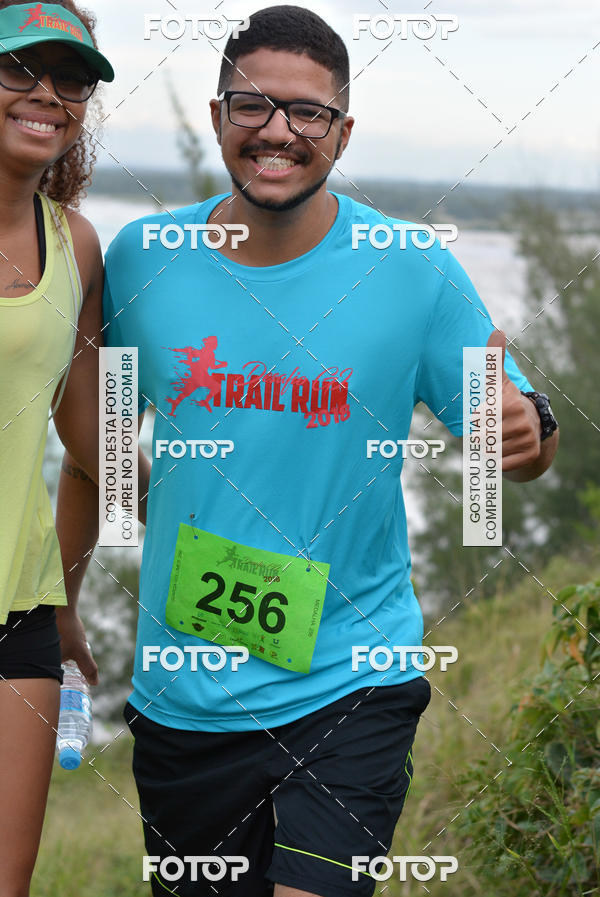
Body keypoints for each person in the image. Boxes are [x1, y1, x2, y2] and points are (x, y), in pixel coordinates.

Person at [58, 5, 559, 896]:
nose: (278, 131)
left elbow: (506, 446)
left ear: (344, 131)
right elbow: (101, 446)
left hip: (353, 678)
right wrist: (60, 600)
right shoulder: (146, 258)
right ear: (217, 117)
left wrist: (525, 438)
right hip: (187, 694)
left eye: (308, 112)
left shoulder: (411, 266)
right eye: (250, 106)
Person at [0, 3, 114, 894]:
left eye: (69, 76)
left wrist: (222, 496)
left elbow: (92, 438)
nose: (45, 93)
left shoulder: (73, 241)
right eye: (19, 68)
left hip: (20, 617)